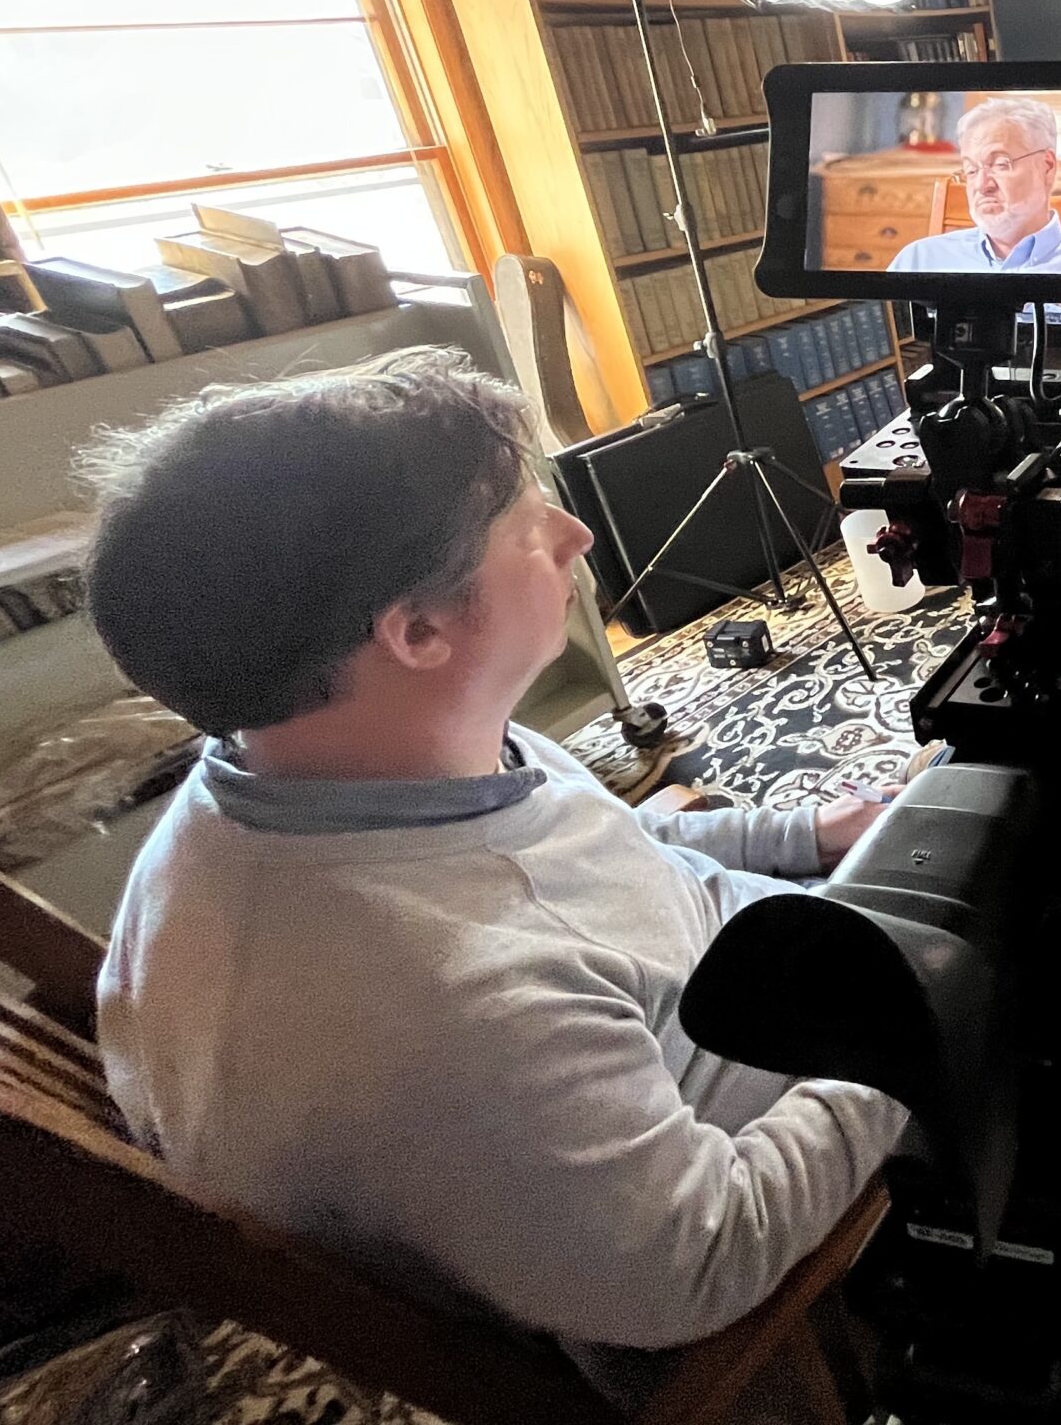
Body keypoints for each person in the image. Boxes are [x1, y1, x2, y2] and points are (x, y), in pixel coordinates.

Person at [84, 350, 906, 1369]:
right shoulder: (446, 1015)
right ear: (418, 630)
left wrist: (801, 836)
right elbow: (701, 1261)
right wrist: (909, 1017)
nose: (577, 533)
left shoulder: (328, 765)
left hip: (740, 992)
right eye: (526, 519)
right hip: (778, 1154)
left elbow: (589, 851)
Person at [888, 97, 1061, 276]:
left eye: (1000, 164)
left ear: (1047, 166)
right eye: (971, 170)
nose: (981, 185)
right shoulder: (918, 261)